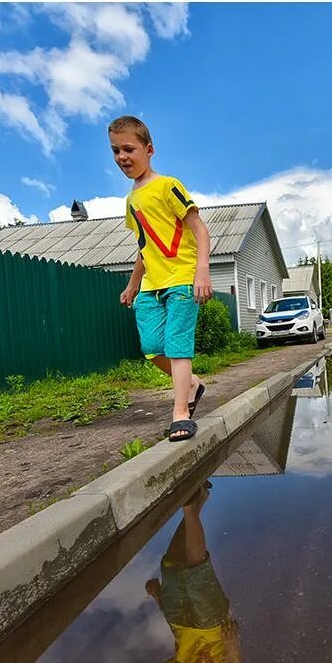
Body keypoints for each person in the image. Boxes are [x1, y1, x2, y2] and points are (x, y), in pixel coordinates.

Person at [110, 115, 212, 442]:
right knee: (153, 348)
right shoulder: (131, 201)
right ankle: (192, 384)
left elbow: (200, 229)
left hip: (182, 277)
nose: (122, 157)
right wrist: (132, 284)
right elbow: (144, 246)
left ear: (148, 149)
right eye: (115, 151)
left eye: (129, 149)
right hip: (152, 285)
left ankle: (180, 413)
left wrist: (202, 271)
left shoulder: (168, 185)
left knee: (177, 344)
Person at [145, 482, 242, 663]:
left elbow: (179, 649)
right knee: (197, 570)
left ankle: (198, 499)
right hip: (211, 630)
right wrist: (232, 647)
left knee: (172, 563)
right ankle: (190, 507)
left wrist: (158, 599)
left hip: (178, 622)